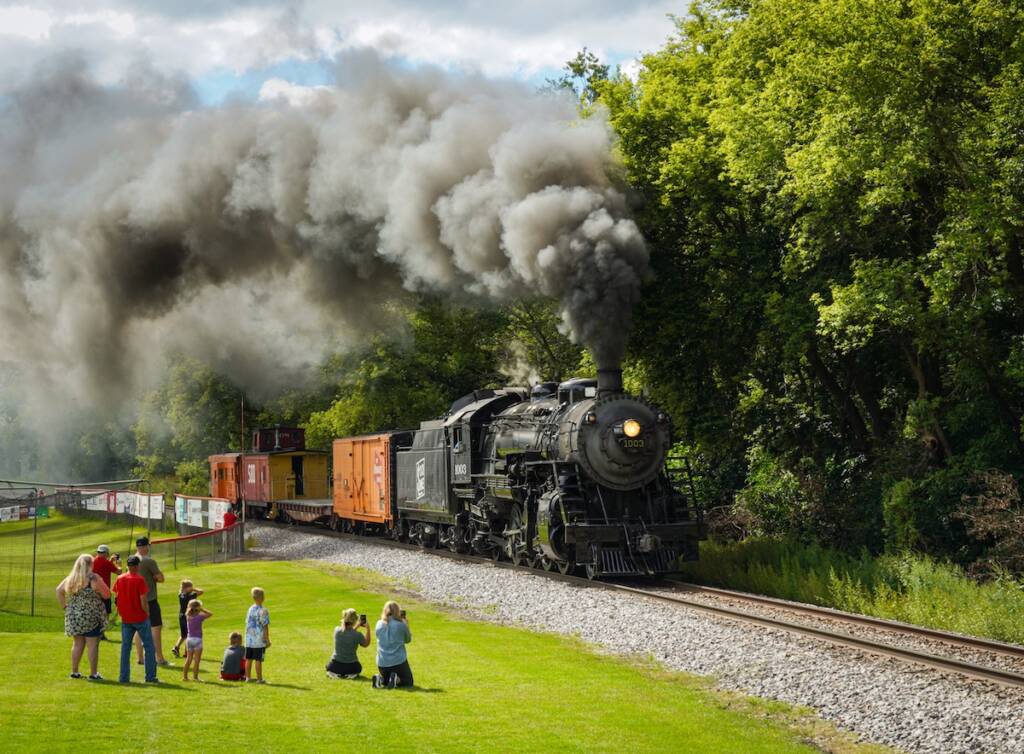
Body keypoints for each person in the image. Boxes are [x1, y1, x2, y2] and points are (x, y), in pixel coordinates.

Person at [56, 554, 111, 680]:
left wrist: (65, 607)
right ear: (90, 564)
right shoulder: (94, 578)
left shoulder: (72, 578)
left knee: (77, 644)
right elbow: (107, 594)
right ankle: (93, 673)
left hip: (74, 617)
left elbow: (58, 590)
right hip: (91, 616)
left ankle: (75, 672)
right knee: (92, 645)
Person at [112, 555, 158, 683]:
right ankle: (150, 677)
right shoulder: (139, 579)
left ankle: (123, 677)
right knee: (149, 647)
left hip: (126, 618)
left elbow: (117, 597)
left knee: (125, 648)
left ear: (127, 566)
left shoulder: (120, 578)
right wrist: (147, 612)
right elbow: (143, 601)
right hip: (140, 618)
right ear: (137, 566)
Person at [133, 536, 169, 667]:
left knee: (138, 629)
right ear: (145, 546)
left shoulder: (131, 560)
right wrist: (155, 576)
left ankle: (140, 657)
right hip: (150, 600)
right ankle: (159, 658)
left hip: (136, 600)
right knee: (156, 628)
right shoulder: (149, 561)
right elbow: (161, 578)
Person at [372, 601, 413, 689]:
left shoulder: (379, 623)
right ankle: (396, 680)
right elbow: (408, 640)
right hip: (398, 662)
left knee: (388, 680)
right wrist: (406, 625)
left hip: (382, 662)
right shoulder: (401, 625)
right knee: (408, 681)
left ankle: (381, 679)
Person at [326, 608, 370, 679]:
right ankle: (350, 674)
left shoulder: (336, 630)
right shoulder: (357, 635)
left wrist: (356, 626)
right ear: (355, 620)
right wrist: (368, 629)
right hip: (351, 666)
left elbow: (348, 633)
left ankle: (334, 673)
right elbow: (366, 644)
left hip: (335, 666)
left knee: (328, 666)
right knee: (358, 667)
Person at [91, 545, 121, 641]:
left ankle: (93, 633)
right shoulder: (107, 562)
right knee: (105, 613)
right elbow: (119, 572)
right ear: (106, 553)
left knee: (95, 613)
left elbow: (105, 567)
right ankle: (101, 633)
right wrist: (118, 563)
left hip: (93, 591)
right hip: (104, 592)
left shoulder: (93, 561)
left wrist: (110, 561)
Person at [244, 587, 271, 683]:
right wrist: (267, 639)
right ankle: (259, 679)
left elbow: (247, 622)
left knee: (249, 658)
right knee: (258, 659)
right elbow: (265, 625)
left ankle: (248, 677)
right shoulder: (264, 610)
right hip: (259, 640)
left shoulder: (250, 609)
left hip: (249, 639)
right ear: (262, 598)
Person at [182, 599, 212, 682]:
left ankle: (185, 677)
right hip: (198, 639)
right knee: (197, 660)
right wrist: (201, 609)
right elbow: (210, 614)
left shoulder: (188, 616)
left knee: (188, 659)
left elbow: (189, 611)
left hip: (189, 639)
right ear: (198, 608)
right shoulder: (200, 616)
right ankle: (195, 677)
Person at [172, 579, 203, 658]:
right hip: (188, 616)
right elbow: (201, 591)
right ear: (188, 587)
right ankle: (186, 652)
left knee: (183, 634)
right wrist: (193, 589)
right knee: (189, 633)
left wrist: (188, 589)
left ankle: (176, 647)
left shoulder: (180, 594)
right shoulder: (190, 596)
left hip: (181, 615)